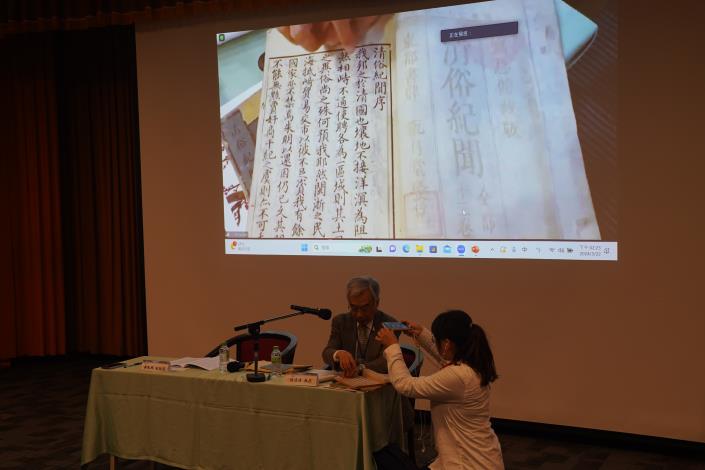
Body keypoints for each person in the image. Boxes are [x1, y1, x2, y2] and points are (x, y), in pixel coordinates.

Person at [376, 310, 504, 469]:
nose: (435, 342)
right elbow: (445, 356)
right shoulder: (470, 363)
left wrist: (393, 347)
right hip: (480, 456)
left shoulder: (457, 376)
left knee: (384, 457)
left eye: (437, 339)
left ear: (447, 343)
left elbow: (405, 385)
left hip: (467, 464)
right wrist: (421, 334)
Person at [322, 276, 399, 377]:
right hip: (347, 382)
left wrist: (360, 368)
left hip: (377, 383)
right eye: (354, 308)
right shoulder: (341, 321)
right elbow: (327, 352)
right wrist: (338, 354)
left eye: (364, 308)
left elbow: (385, 362)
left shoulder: (390, 324)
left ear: (377, 303)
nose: (359, 314)